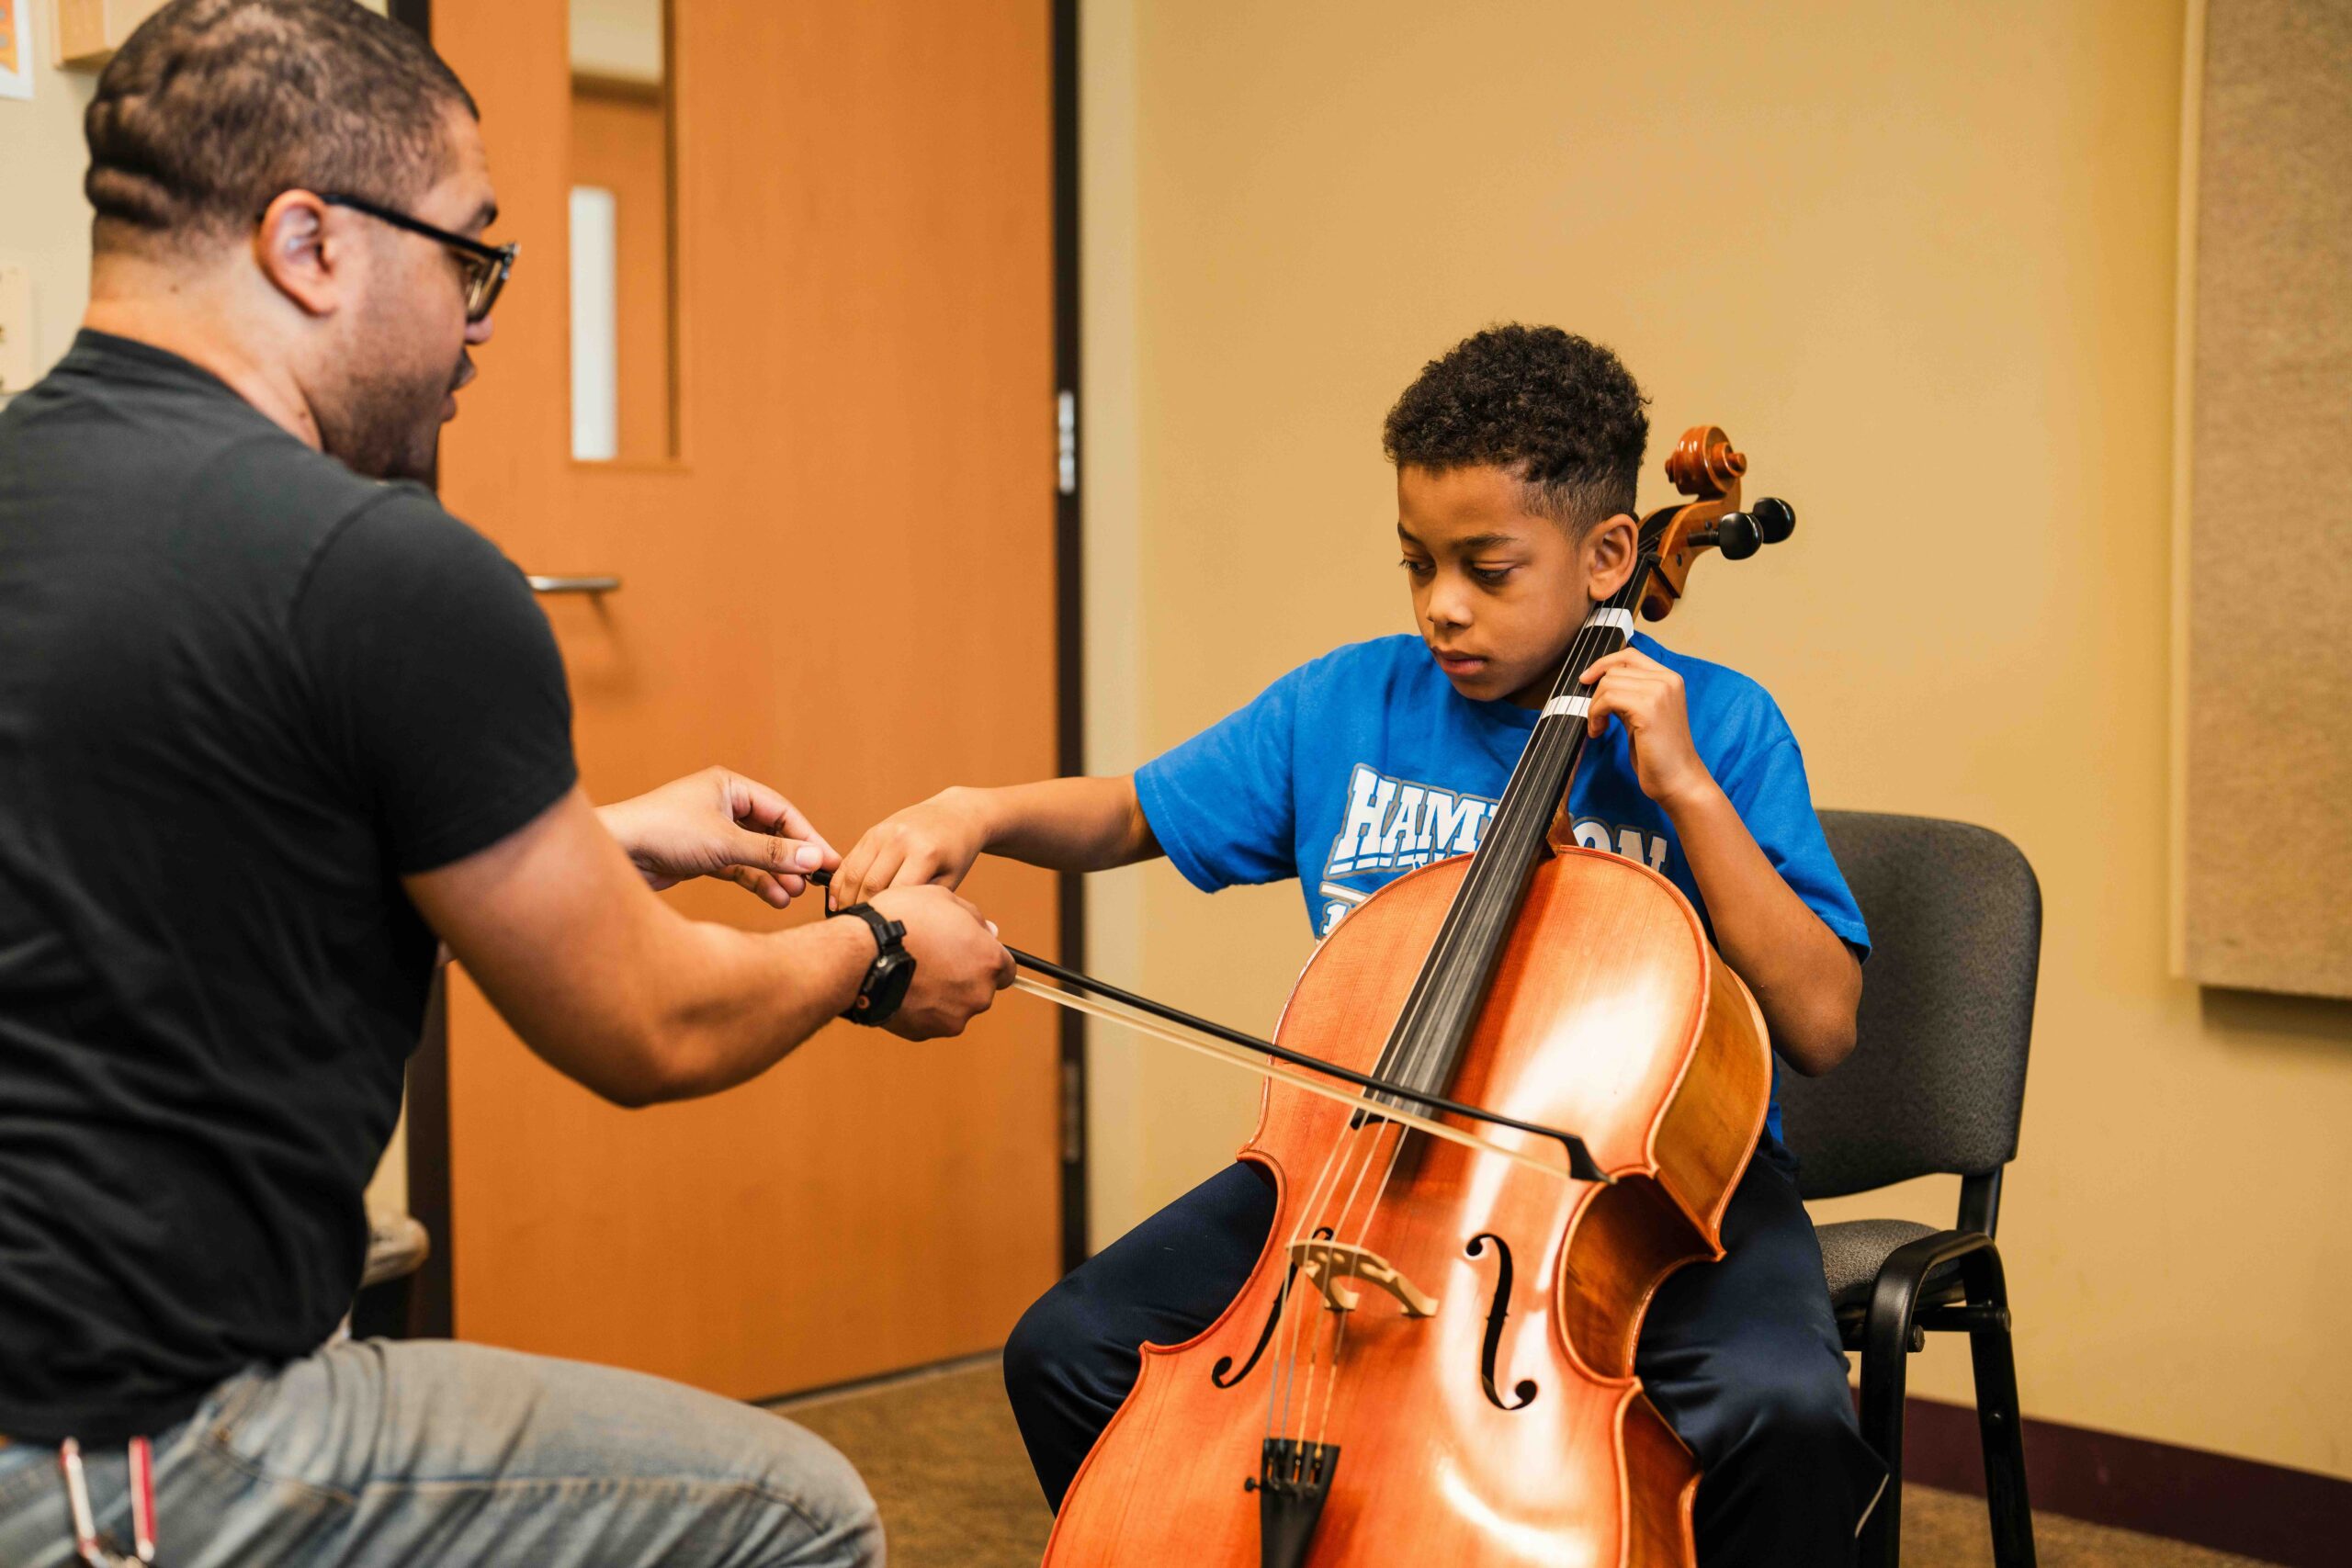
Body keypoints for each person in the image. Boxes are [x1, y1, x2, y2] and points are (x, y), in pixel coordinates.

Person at [0, 2, 1013, 1564]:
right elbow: (647, 1029)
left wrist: (601, 840)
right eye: (471, 254)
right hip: (135, 1447)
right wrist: (877, 955)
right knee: (796, 1515)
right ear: (309, 245)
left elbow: (170, 831)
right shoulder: (380, 567)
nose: (486, 317)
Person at [828, 324, 1888, 1562]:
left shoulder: (1725, 727)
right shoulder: (1347, 703)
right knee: (1072, 1347)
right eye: (1416, 564)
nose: (1442, 606)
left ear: (1612, 556)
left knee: (1787, 1416)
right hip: (1362, 1159)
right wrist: (979, 811)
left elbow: (1822, 1022)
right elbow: (1132, 809)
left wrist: (1690, 793)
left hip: (1648, 1186)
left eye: (1487, 570)